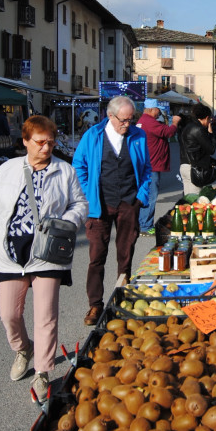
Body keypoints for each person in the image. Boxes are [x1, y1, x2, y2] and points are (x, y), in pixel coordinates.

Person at [0, 115, 88, 405]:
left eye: (50, 142)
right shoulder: (7, 170)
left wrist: (66, 222)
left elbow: (80, 204)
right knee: (9, 315)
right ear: (25, 141)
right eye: (40, 142)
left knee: (45, 317)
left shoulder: (64, 171)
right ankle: (23, 348)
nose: (46, 148)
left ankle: (42, 370)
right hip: (10, 254)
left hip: (48, 253)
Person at [73, 96, 152, 326]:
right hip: (100, 204)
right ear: (110, 116)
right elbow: (79, 166)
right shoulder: (93, 136)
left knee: (125, 253)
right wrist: (88, 196)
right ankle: (95, 305)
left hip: (129, 202)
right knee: (97, 256)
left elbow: (147, 168)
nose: (128, 124)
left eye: (131, 120)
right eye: (124, 120)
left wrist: (140, 197)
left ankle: (121, 298)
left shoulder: (138, 136)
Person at [137, 98, 180, 236]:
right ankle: (146, 226)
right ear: (151, 109)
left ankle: (141, 223)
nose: (159, 112)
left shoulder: (142, 121)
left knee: (145, 194)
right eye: (157, 110)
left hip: (146, 163)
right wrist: (175, 123)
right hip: (152, 165)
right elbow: (168, 132)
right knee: (151, 195)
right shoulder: (150, 122)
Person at [179, 103, 216, 196]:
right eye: (210, 120)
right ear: (207, 117)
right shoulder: (198, 129)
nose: (209, 122)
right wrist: (211, 133)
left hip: (185, 165)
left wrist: (214, 162)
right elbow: (211, 149)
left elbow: (197, 150)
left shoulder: (188, 127)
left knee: (188, 199)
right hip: (194, 168)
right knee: (196, 201)